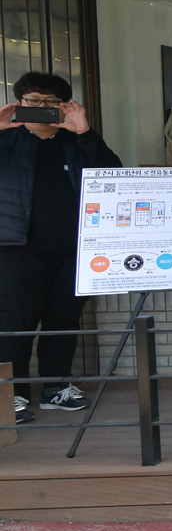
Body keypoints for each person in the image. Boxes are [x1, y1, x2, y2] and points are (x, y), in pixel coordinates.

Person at [0, 72, 121, 424]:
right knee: (15, 323)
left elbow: (113, 176)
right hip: (15, 248)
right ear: (19, 103)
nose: (42, 107)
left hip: (75, 249)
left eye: (51, 102)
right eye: (34, 100)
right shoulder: (6, 139)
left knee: (63, 320)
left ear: (64, 106)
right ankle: (12, 393)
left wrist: (85, 132)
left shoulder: (76, 142)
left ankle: (56, 387)